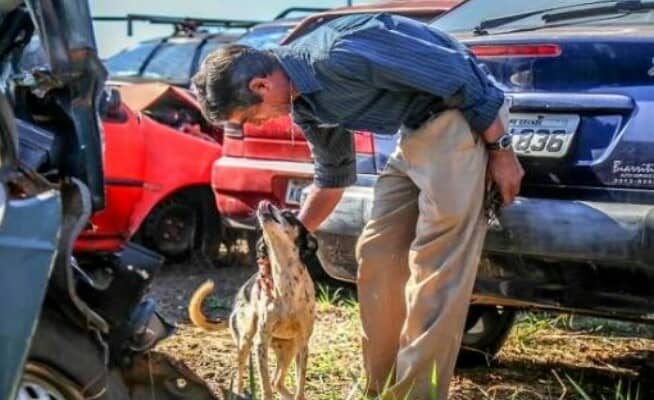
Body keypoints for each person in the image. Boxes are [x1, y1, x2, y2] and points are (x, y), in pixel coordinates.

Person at [191, 12, 524, 400]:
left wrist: (502, 150)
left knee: (436, 267)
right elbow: (332, 178)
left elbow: (458, 73)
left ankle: (416, 395)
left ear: (261, 84)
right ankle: (379, 389)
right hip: (415, 131)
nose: (261, 124)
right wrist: (285, 245)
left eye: (252, 116)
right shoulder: (303, 103)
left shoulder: (338, 54)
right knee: (378, 254)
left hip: (458, 120)